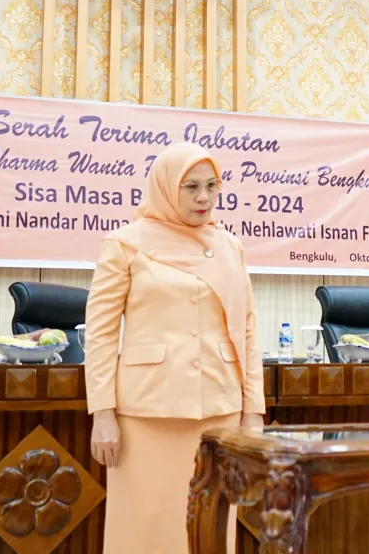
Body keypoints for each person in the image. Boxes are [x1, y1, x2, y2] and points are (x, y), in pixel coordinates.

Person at [85, 141, 265, 554]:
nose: (204, 197)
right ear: (167, 187)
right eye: (191, 187)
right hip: (147, 415)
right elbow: (101, 333)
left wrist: (253, 411)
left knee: (209, 532)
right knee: (143, 531)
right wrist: (103, 413)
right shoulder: (124, 244)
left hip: (219, 412)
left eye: (212, 186)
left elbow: (248, 331)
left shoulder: (229, 246)